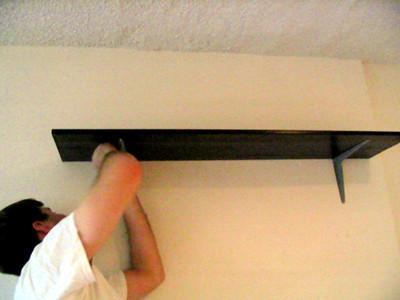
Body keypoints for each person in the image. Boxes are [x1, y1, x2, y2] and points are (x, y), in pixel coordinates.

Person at [0, 143, 165, 299]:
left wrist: (124, 195)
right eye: (52, 212)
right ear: (42, 227)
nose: (66, 217)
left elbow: (150, 275)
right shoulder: (45, 267)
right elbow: (125, 168)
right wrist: (106, 158)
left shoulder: (48, 286)